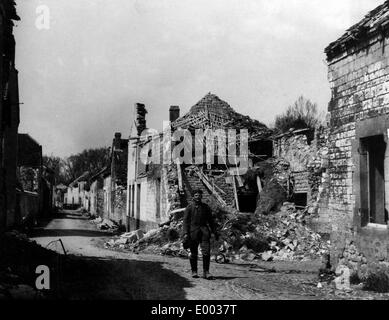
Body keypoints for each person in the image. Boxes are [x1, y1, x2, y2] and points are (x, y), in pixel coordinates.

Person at [183, 189, 219, 279]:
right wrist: (185, 233)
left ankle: (206, 272)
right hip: (193, 232)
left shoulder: (206, 207)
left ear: (201, 196)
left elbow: (211, 221)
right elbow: (185, 222)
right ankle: (194, 271)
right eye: (196, 195)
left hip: (204, 232)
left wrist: (214, 231)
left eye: (199, 195)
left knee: (206, 252)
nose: (198, 197)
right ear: (193, 197)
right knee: (193, 253)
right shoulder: (189, 207)